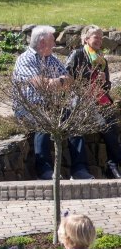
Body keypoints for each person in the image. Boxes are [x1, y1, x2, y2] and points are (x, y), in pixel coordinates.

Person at [12, 25, 93, 180]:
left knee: (74, 120)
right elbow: (41, 85)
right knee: (44, 119)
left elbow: (69, 80)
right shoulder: (25, 59)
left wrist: (55, 82)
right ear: (42, 43)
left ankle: (79, 169)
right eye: (52, 41)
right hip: (28, 107)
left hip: (52, 105)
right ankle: (45, 171)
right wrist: (56, 82)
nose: (55, 44)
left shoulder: (52, 59)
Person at [66, 25, 121, 179]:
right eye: (96, 37)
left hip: (99, 100)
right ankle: (87, 168)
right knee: (104, 123)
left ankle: (112, 165)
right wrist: (86, 79)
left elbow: (107, 86)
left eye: (101, 37)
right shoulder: (77, 55)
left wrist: (103, 81)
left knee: (111, 124)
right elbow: (67, 78)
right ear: (86, 39)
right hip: (81, 101)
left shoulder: (101, 59)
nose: (99, 40)